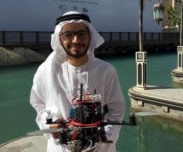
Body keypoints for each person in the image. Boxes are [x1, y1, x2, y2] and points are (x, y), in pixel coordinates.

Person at [30, 11, 126, 152]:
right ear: (60, 38)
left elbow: (116, 110)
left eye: (81, 34)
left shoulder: (106, 70)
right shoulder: (45, 71)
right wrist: (49, 126)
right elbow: (39, 105)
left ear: (90, 36)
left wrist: (101, 140)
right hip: (61, 147)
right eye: (68, 35)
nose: (76, 40)